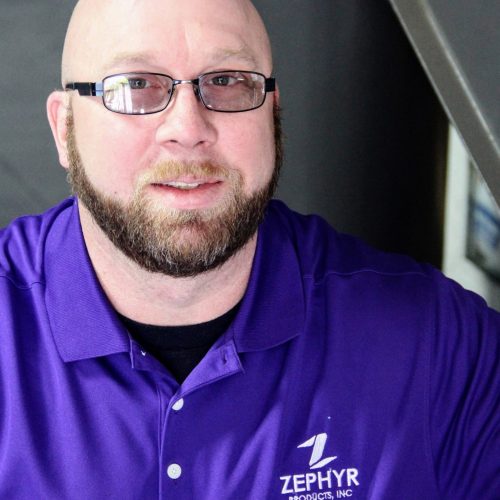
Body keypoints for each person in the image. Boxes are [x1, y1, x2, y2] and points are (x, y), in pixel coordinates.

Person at [0, 0, 498, 498]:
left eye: (227, 81)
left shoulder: (440, 345)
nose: (188, 130)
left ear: (273, 114)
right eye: (135, 85)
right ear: (64, 128)